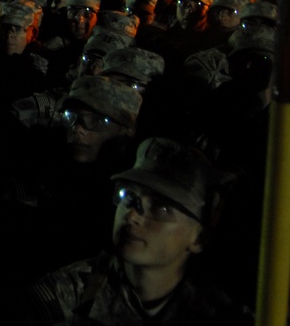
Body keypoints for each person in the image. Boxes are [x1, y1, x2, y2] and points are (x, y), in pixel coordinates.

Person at [21, 137, 252, 325]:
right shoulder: (72, 293)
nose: (132, 216)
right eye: (128, 197)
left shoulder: (220, 313)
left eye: (160, 207)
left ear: (199, 238)